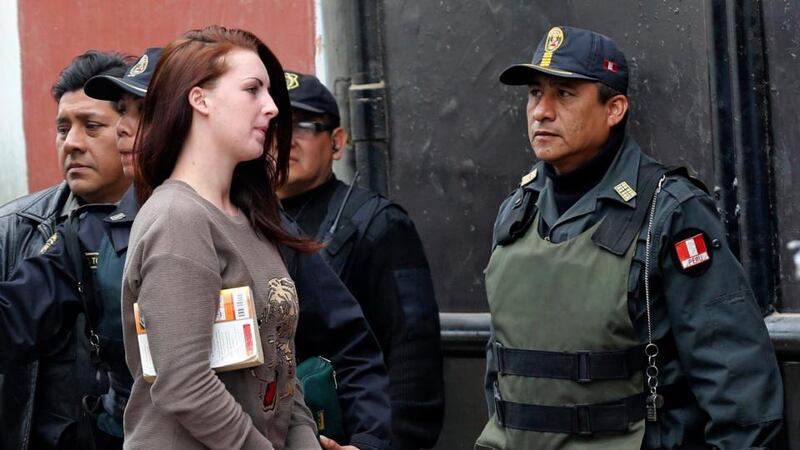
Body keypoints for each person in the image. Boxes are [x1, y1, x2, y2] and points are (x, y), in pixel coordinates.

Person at [0, 44, 392, 450]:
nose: (124, 128)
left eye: (143, 110)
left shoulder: (250, 220)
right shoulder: (86, 234)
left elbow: (334, 346)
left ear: (182, 115)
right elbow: (15, 322)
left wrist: (369, 440)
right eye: (120, 111)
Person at [476, 26, 784, 449]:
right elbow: (503, 371)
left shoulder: (669, 211)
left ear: (615, 108)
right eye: (534, 93)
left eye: (564, 94)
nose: (540, 111)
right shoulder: (517, 210)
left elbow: (739, 387)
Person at [279, 71, 445, 450]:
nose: (285, 139)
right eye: (274, 125)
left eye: (302, 126)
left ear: (337, 142)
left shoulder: (379, 224)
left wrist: (387, 444)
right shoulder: (249, 220)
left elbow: (413, 355)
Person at [0, 50, 129, 450]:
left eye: (92, 126)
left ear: (134, 130)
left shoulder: (177, 223)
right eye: (62, 128)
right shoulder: (15, 229)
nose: (72, 143)